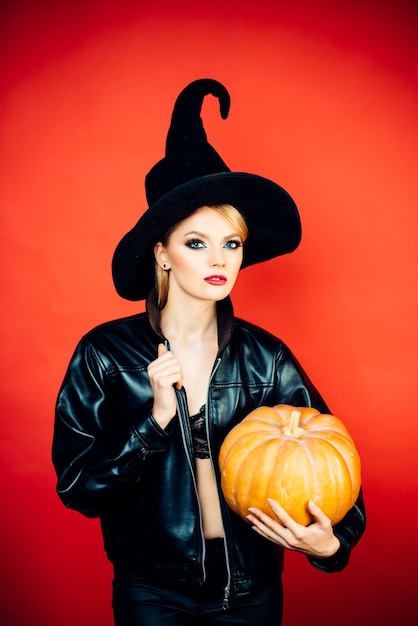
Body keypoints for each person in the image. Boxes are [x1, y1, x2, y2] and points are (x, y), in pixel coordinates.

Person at [52, 79, 366, 626]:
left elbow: (334, 465)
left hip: (251, 592)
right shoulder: (105, 354)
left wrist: (330, 546)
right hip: (152, 591)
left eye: (231, 242)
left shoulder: (266, 359)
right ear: (163, 253)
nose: (218, 258)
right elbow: (79, 487)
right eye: (196, 242)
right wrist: (153, 423)